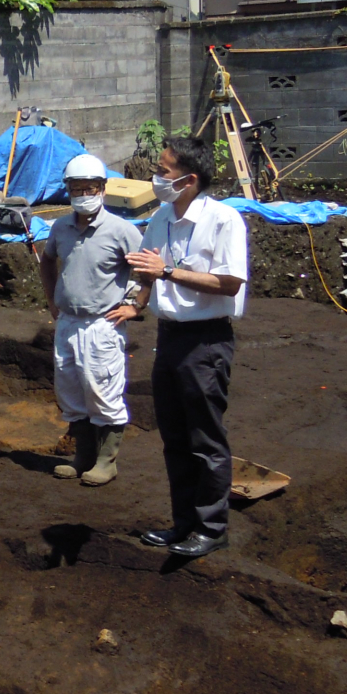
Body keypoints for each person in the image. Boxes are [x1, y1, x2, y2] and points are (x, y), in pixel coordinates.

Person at [126, 134, 249, 558]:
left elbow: (230, 282)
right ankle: (184, 524)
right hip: (170, 337)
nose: (155, 177)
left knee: (205, 439)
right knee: (175, 436)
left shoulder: (224, 220)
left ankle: (212, 528)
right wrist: (135, 304)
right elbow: (148, 270)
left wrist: (169, 272)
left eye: (163, 171)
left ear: (189, 179)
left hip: (206, 340)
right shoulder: (160, 216)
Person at [39, 152, 141, 486]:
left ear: (102, 188)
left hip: (102, 324)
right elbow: (47, 262)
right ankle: (82, 458)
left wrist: (135, 305)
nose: (83, 195)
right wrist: (53, 301)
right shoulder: (61, 226)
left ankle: (106, 461)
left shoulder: (121, 230)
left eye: (89, 188)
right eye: (76, 189)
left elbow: (147, 270)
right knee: (71, 391)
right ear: (68, 190)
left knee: (102, 390)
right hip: (68, 322)